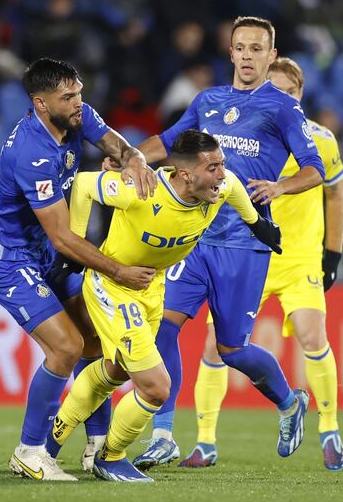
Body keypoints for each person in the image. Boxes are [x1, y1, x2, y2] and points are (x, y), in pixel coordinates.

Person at [136, 56, 343, 471]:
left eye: (288, 93)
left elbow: (331, 188)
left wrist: (332, 253)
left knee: (251, 345)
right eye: (274, 89)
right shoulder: (227, 118)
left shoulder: (317, 138)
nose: (278, 98)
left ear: (299, 97)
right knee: (166, 325)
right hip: (203, 239)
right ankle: (171, 436)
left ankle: (313, 418)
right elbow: (175, 144)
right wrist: (131, 157)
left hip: (270, 251)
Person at [43, 130, 282, 482]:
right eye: (212, 166)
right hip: (114, 287)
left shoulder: (221, 187)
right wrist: (74, 249)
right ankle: (110, 457)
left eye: (222, 164)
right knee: (156, 387)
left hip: (151, 288)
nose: (221, 173)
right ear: (185, 174)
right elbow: (82, 186)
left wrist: (258, 225)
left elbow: (235, 191)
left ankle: (49, 444)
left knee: (117, 371)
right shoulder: (141, 190)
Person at [0, 58, 157, 481]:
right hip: (9, 257)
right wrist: (117, 271)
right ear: (40, 103)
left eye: (79, 92)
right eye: (67, 97)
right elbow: (62, 237)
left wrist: (134, 159)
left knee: (95, 334)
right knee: (66, 347)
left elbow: (112, 142)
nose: (79, 103)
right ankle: (30, 451)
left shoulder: (76, 116)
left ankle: (96, 446)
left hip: (44, 253)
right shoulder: (32, 153)